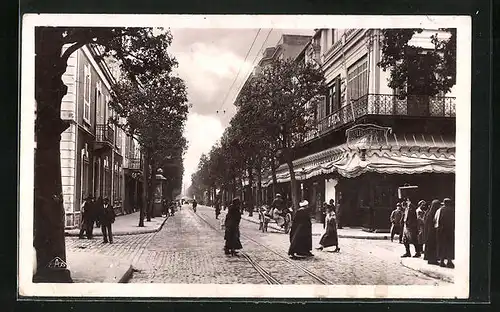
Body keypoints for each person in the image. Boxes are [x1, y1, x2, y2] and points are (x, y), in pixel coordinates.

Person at [435, 198, 455, 268]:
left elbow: (438, 220)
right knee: (449, 246)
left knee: (442, 245)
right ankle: (449, 261)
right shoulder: (452, 210)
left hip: (442, 231)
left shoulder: (441, 210)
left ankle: (442, 261)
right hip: (450, 230)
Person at [423, 199, 441, 265]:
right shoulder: (433, 213)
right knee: (432, 246)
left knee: (429, 245)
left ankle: (428, 257)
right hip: (432, 232)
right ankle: (432, 260)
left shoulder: (429, 212)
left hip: (428, 232)